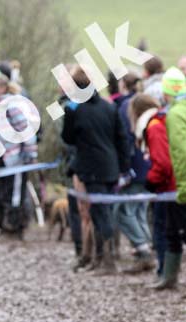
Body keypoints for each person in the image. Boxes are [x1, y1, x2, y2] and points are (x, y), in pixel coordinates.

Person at [61, 65, 131, 274]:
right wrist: (124, 168)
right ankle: (99, 259)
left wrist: (70, 116)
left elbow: (68, 138)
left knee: (100, 214)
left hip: (90, 169)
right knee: (103, 211)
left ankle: (107, 262)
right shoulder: (109, 107)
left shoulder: (75, 109)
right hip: (111, 168)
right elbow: (122, 139)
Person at [0, 72, 38, 238]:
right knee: (2, 193)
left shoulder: (11, 106)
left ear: (2, 88)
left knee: (15, 194)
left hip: (15, 158)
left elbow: (27, 130)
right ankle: (4, 226)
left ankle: (16, 228)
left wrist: (30, 154)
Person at [115, 72, 155, 273]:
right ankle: (146, 248)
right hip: (150, 166)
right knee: (140, 210)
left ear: (123, 84)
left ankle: (143, 249)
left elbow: (125, 140)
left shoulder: (126, 107)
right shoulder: (149, 104)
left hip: (135, 167)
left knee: (123, 211)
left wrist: (124, 169)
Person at [130, 93, 173, 279]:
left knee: (162, 231)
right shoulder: (161, 121)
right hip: (169, 186)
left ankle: (165, 273)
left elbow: (162, 162)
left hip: (167, 187)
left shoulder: (154, 127)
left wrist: (151, 180)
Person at [155, 68, 186, 289]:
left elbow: (180, 153)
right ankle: (169, 277)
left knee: (176, 231)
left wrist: (183, 188)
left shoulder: (175, 114)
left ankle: (170, 278)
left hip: (180, 185)